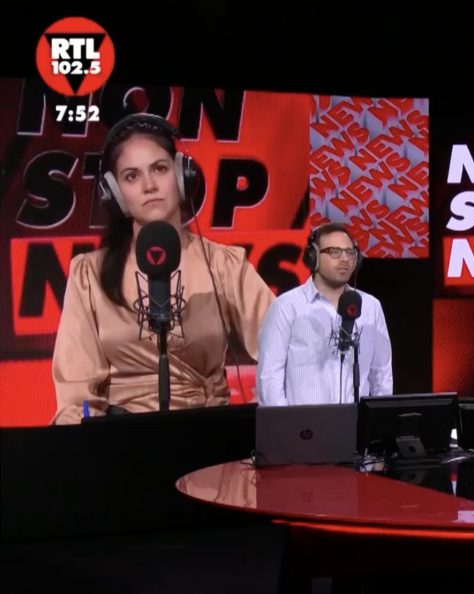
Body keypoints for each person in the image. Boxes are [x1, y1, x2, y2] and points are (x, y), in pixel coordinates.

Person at [51, 113, 275, 424]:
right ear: (115, 193)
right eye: (132, 176)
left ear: (182, 176)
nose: (149, 186)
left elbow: (286, 351)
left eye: (159, 168)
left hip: (211, 434)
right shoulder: (89, 274)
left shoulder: (225, 265)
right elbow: (76, 397)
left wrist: (252, 421)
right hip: (122, 441)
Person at [256, 223, 393, 405]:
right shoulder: (286, 307)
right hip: (303, 422)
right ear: (313, 258)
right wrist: (287, 420)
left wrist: (377, 418)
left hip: (357, 422)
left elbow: (381, 374)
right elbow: (269, 378)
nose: (345, 259)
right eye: (334, 252)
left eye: (350, 252)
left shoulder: (371, 307)